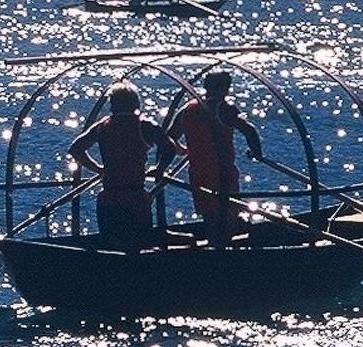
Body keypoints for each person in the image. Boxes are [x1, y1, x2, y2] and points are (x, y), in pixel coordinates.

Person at [69, 82, 174, 249]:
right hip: (135, 196)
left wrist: (99, 169)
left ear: (113, 104)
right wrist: (160, 168)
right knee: (141, 244)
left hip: (109, 196)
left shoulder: (102, 126)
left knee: (112, 244)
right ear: (135, 103)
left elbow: (76, 149)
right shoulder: (145, 126)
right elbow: (170, 148)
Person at [168, 69, 264, 239]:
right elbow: (249, 130)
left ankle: (216, 243)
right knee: (228, 216)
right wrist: (257, 154)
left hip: (199, 173)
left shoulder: (186, 110)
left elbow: (170, 138)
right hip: (222, 173)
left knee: (210, 216)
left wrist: (181, 149)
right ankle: (224, 248)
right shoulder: (224, 109)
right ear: (225, 89)